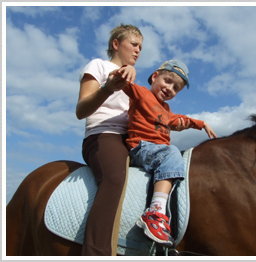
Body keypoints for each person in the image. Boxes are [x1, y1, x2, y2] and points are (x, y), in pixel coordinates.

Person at [112, 60, 217, 247]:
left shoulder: (166, 110)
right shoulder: (142, 93)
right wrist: (127, 69)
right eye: (168, 81)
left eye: (176, 88)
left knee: (181, 161)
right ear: (154, 77)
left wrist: (201, 124)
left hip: (157, 152)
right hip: (141, 148)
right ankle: (155, 214)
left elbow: (179, 120)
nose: (170, 89)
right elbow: (118, 80)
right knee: (172, 152)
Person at [76, 24, 143, 256]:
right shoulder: (99, 65)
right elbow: (81, 109)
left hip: (130, 140)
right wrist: (107, 88)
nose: (138, 50)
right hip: (103, 135)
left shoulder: (133, 80)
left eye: (140, 47)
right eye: (133, 44)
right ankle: (95, 254)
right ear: (116, 44)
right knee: (114, 179)